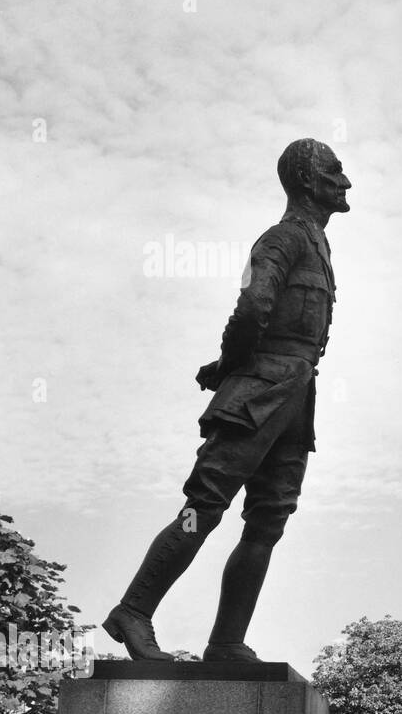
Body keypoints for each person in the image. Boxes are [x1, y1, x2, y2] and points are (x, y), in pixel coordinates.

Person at [99, 139, 350, 662]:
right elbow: (254, 305)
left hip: (296, 398)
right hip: (256, 395)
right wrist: (229, 367)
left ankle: (227, 641)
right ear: (307, 180)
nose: (344, 183)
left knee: (267, 523)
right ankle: (134, 609)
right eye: (334, 172)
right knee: (204, 508)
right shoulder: (281, 239)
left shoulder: (318, 246)